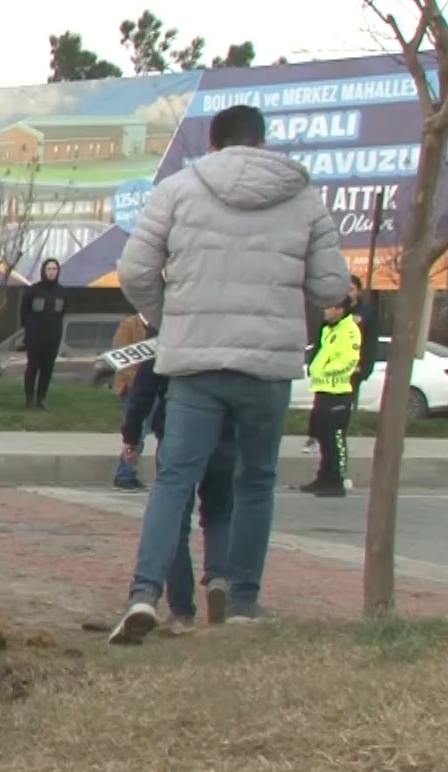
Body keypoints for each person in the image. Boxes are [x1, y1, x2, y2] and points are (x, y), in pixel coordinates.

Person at [108, 104, 349, 644]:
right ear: (262, 143)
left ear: (213, 146)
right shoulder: (304, 196)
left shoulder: (178, 189)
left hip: (195, 365)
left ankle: (144, 594)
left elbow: (135, 271)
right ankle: (242, 600)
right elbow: (332, 286)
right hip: (267, 369)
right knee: (255, 481)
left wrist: (171, 319)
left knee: (174, 481)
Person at [122, 355, 235, 632]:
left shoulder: (176, 326)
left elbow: (145, 386)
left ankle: (181, 610)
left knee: (174, 516)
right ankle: (219, 577)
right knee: (219, 512)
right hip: (227, 428)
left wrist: (132, 433)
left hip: (178, 426)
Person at [301, 298, 361, 497]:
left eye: (329, 308)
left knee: (336, 439)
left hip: (339, 392)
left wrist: (325, 372)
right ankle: (324, 477)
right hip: (323, 390)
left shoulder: (350, 330)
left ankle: (337, 481)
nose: (325, 312)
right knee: (324, 437)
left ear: (340, 310)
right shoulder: (329, 330)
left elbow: (349, 361)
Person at [110, 312, 154, 492]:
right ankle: (124, 474)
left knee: (143, 431)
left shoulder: (161, 326)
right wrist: (136, 381)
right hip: (133, 387)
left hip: (153, 386)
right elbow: (120, 357)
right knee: (138, 430)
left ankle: (130, 472)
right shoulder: (129, 325)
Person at [20, 258, 66, 409]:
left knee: (47, 369)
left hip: (53, 338)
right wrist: (28, 330)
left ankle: (41, 399)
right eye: (49, 269)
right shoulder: (33, 290)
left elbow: (63, 312)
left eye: (54, 269)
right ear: (43, 271)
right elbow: (24, 312)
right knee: (32, 368)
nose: (52, 272)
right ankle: (29, 399)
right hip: (34, 337)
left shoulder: (62, 292)